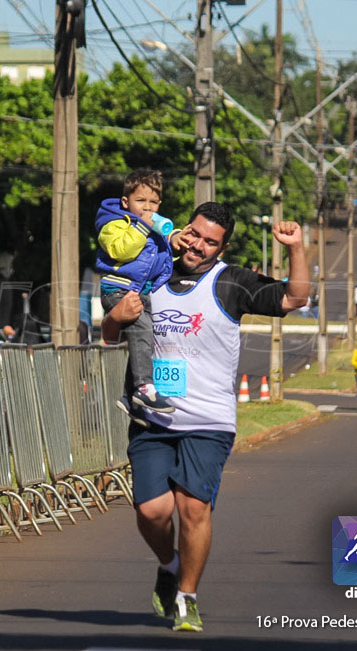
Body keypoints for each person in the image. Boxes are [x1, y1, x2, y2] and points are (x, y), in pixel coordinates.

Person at [102, 203, 308, 633]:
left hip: (209, 420)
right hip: (153, 415)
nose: (198, 245)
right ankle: (169, 564)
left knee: (193, 508)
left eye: (210, 241)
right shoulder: (152, 269)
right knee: (151, 511)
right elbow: (110, 333)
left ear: (222, 246)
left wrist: (295, 249)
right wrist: (113, 318)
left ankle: (187, 598)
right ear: (184, 230)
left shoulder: (231, 281)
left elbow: (295, 298)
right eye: (194, 234)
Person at [96, 169, 189, 415]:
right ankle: (144, 388)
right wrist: (142, 228)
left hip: (141, 290)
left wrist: (175, 238)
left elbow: (157, 249)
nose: (147, 208)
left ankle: (130, 396)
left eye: (153, 203)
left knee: (143, 342)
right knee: (141, 331)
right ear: (126, 202)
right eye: (141, 201)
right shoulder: (113, 224)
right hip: (119, 289)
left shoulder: (150, 227)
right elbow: (120, 251)